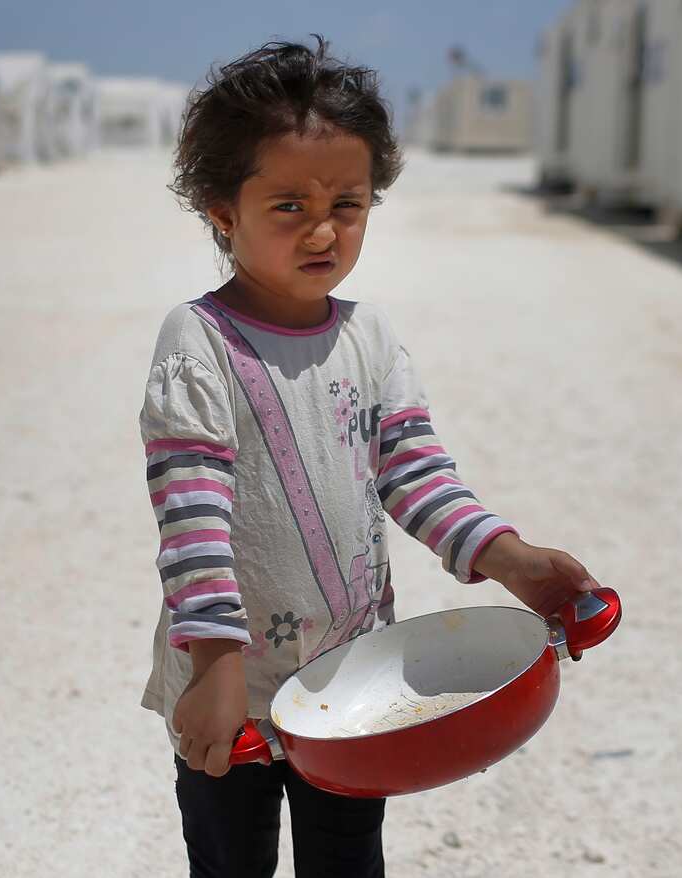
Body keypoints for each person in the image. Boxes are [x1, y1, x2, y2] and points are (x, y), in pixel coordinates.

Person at [139, 37, 603, 878]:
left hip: (351, 686)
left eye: (347, 205)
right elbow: (192, 513)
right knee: (229, 859)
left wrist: (514, 562)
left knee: (348, 863)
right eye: (289, 206)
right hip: (230, 687)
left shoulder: (371, 336)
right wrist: (213, 666)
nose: (323, 231)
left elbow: (416, 475)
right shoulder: (199, 341)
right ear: (220, 209)